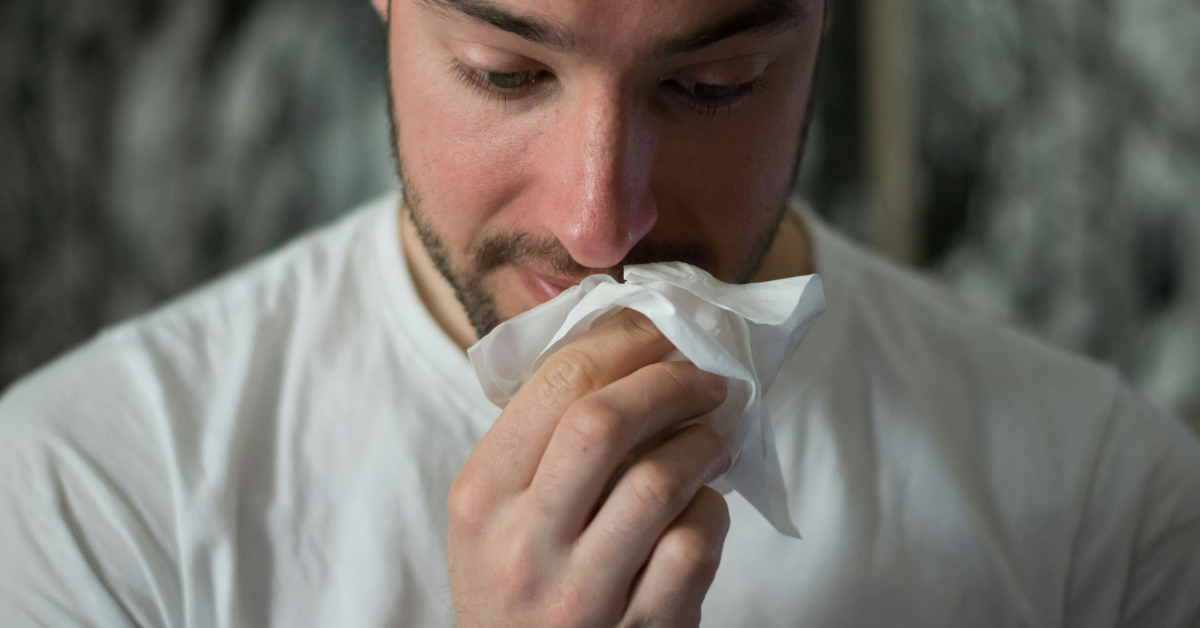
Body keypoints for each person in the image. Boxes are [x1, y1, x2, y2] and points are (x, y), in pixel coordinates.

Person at [1, 0, 1198, 625]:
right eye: (507, 73)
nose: (600, 224)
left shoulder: (1105, 512)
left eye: (712, 86)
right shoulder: (91, 501)